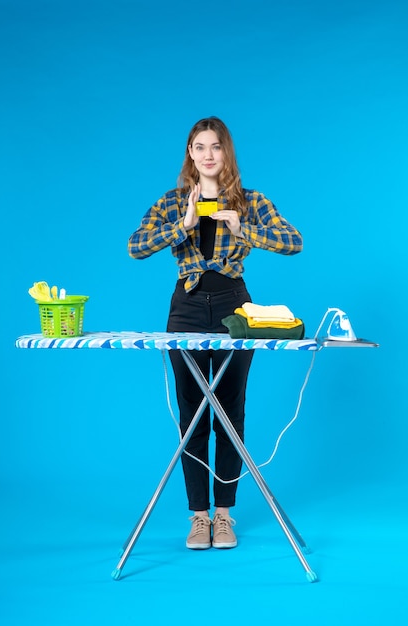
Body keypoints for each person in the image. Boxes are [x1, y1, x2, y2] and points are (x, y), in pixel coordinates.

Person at [128, 116, 303, 550]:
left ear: (227, 153)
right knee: (193, 414)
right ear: (191, 153)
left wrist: (246, 230)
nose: (208, 155)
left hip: (234, 307)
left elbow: (293, 241)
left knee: (229, 410)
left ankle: (224, 515)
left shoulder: (248, 200)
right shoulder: (172, 202)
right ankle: (198, 517)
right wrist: (182, 225)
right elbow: (135, 247)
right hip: (186, 309)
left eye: (216, 147)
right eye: (200, 147)